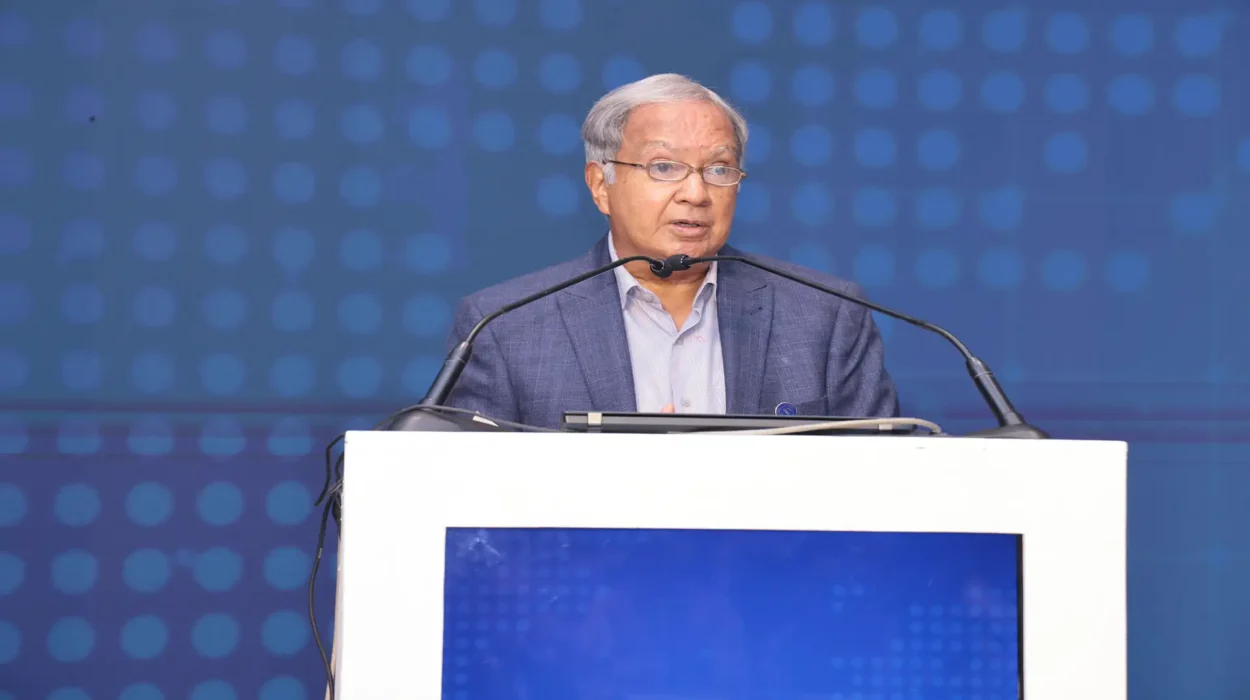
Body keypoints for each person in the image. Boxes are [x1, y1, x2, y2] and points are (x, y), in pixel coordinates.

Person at [442, 73, 899, 428]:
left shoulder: (826, 316)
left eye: (719, 169)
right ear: (601, 185)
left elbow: (886, 481)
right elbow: (471, 493)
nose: (696, 193)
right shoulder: (504, 326)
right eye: (664, 167)